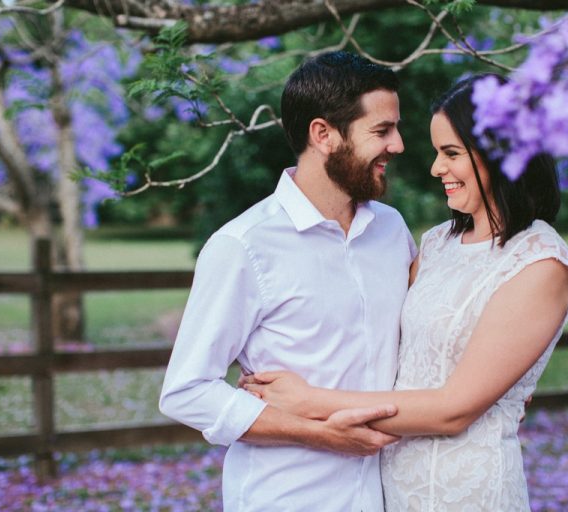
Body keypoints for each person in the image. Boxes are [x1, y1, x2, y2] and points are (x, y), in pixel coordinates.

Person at [242, 74, 568, 511]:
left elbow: (452, 409)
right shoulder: (437, 243)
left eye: (452, 154)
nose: (436, 168)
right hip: (390, 488)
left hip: (467, 490)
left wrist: (309, 401)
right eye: (439, 153)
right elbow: (375, 331)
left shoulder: (539, 262)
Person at [159, 51, 417, 512]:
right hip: (288, 497)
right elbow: (187, 390)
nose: (398, 145)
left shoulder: (393, 230)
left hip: (389, 495)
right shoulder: (243, 245)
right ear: (324, 135)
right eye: (381, 131)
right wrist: (320, 434)